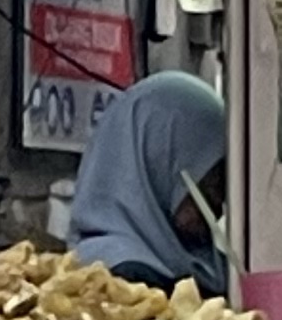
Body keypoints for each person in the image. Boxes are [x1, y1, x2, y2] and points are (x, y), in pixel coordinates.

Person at [66, 70, 229, 301]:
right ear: (159, 165)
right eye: (209, 181)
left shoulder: (203, 263)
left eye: (222, 183)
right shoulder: (115, 282)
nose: (218, 203)